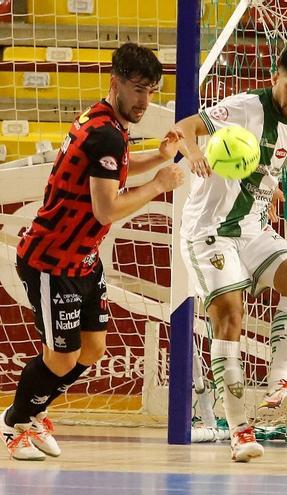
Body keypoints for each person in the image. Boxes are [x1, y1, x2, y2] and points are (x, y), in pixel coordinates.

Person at [3, 42, 185, 461]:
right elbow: (106, 209)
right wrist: (158, 184)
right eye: (138, 90)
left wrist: (155, 159)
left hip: (83, 258)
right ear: (115, 82)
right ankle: (15, 423)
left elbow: (115, 164)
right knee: (62, 358)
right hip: (52, 259)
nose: (145, 101)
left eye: (152, 91)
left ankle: (34, 411)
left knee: (93, 349)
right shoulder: (105, 132)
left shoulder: (107, 124)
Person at [175, 46, 287, 462]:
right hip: (210, 231)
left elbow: (265, 161)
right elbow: (184, 127)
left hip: (251, 227)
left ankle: (279, 384)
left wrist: (269, 183)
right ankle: (239, 429)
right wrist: (194, 155)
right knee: (230, 317)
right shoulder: (243, 108)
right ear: (276, 77)